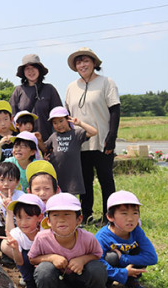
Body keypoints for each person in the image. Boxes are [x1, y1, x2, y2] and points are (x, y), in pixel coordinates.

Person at [29, 193, 115, 288]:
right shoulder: (42, 238)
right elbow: (32, 259)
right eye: (55, 215)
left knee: (97, 267)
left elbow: (97, 255)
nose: (61, 219)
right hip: (57, 283)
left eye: (67, 215)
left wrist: (83, 259)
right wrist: (51, 258)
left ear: (79, 219)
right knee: (44, 269)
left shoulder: (87, 238)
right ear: (48, 220)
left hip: (81, 280)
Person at [65, 47, 121, 224]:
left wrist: (111, 138)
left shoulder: (107, 83)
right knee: (84, 181)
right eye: (79, 62)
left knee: (106, 179)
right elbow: (66, 115)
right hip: (80, 142)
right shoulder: (71, 87)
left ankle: (108, 216)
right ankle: (86, 215)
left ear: (94, 63)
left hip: (102, 140)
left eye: (86, 60)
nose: (82, 64)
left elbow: (115, 111)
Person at [95, 190, 158, 288]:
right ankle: (106, 286)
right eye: (124, 213)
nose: (130, 219)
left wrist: (123, 259)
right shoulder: (102, 237)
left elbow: (152, 257)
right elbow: (98, 263)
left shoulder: (136, 231)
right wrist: (123, 272)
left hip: (127, 264)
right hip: (110, 268)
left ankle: (131, 281)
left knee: (138, 250)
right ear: (110, 217)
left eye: (135, 213)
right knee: (111, 257)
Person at [0, 194, 45, 288]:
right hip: (27, 262)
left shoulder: (45, 232)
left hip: (45, 260)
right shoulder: (16, 233)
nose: (23, 223)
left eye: (28, 218)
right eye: (19, 218)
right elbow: (19, 262)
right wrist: (15, 249)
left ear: (40, 217)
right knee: (24, 255)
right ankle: (30, 283)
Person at [9, 54, 62, 142]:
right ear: (23, 72)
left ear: (39, 69)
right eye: (27, 69)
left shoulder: (49, 89)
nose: (31, 71)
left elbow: (58, 116)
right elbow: (12, 118)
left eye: (33, 68)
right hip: (24, 143)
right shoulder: (18, 90)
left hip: (46, 141)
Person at [45, 106, 97, 195]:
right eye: (55, 123)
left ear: (68, 120)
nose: (59, 125)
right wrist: (43, 156)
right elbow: (44, 148)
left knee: (71, 204)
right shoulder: (54, 136)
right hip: (57, 177)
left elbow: (93, 132)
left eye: (61, 121)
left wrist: (79, 123)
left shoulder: (76, 134)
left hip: (72, 180)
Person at [0, 162, 23, 259]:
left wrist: (10, 207)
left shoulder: (22, 197)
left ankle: (14, 254)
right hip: (5, 230)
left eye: (10, 180)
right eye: (2, 180)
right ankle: (4, 252)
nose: (6, 184)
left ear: (17, 182)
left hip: (21, 230)